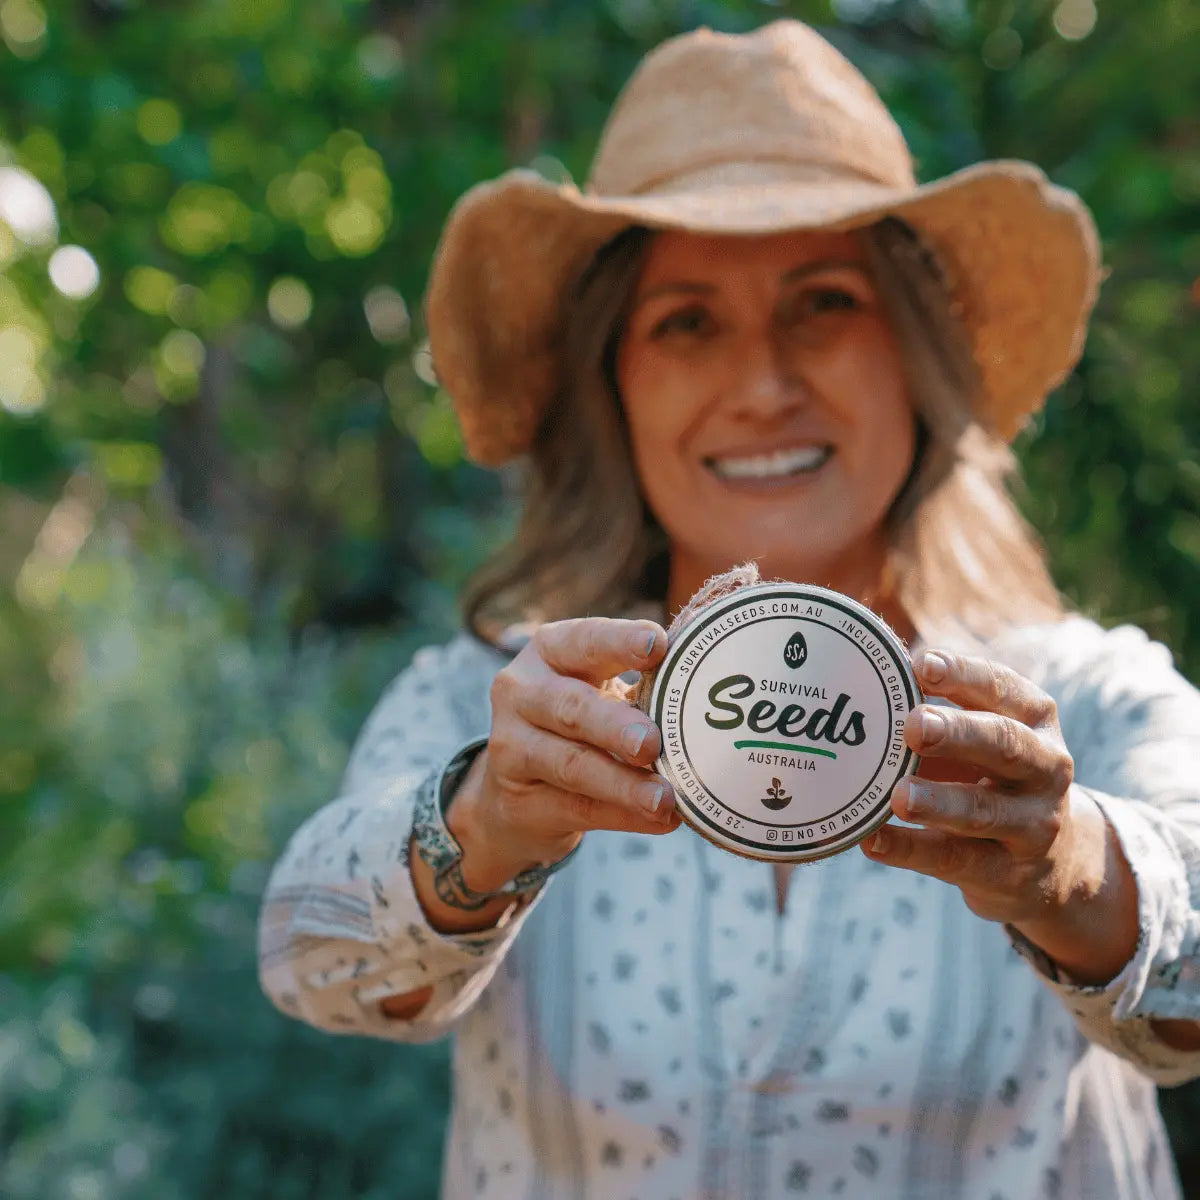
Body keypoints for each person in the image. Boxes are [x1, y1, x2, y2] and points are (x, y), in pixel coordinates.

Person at [257, 20, 1200, 1199]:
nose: (763, 386)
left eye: (825, 304)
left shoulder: (1086, 703)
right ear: (615, 385)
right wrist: (484, 827)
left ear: (915, 357)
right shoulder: (498, 708)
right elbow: (307, 958)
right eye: (686, 322)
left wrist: (1071, 869)